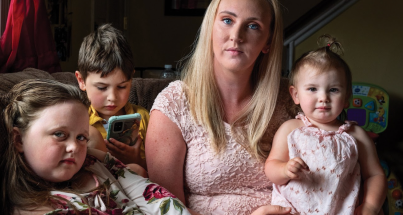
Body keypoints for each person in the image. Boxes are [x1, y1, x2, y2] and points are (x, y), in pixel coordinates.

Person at [145, 0, 295, 214]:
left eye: (253, 26)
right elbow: (167, 210)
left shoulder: (292, 100)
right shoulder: (174, 104)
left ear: (267, 42)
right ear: (210, 29)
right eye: (227, 20)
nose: (236, 35)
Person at [1, 79, 190, 215]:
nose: (74, 147)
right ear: (19, 140)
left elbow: (155, 198)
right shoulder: (34, 208)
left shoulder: (95, 161)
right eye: (59, 134)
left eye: (81, 137)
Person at [265, 35, 387, 214]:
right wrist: (284, 169)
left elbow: (375, 175)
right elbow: (271, 166)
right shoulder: (291, 129)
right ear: (296, 95)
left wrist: (370, 206)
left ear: (346, 98)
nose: (323, 98)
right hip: (294, 210)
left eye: (333, 90)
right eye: (313, 89)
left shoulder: (356, 135)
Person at [75, 24, 149, 170]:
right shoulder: (79, 120)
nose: (112, 97)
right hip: (96, 182)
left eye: (122, 87)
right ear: (81, 81)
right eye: (102, 88)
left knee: (137, 169)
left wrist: (136, 160)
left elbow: (160, 170)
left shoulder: (143, 118)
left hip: (135, 184)